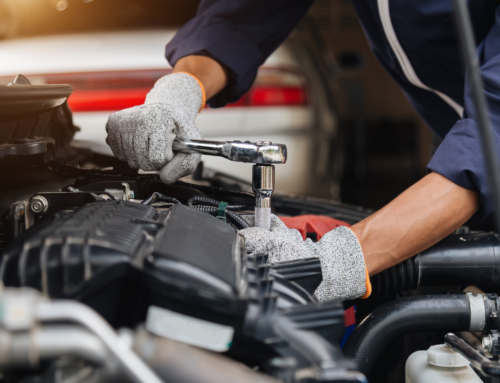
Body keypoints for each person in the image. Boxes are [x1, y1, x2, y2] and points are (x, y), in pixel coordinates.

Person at [105, 0, 500, 302]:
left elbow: (492, 137)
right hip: (459, 141)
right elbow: (241, 15)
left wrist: (339, 258)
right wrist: (180, 90)